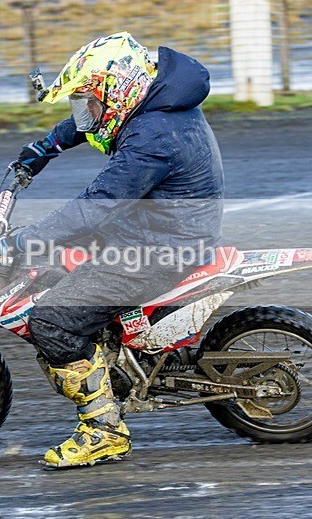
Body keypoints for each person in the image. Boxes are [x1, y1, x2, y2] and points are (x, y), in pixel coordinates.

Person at [11, 32, 224, 468]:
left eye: (89, 100)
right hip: (159, 227)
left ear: (117, 90)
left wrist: (22, 241)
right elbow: (90, 119)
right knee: (63, 265)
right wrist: (44, 148)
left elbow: (93, 208)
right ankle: (114, 355)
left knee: (52, 321)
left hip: (163, 246)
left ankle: (104, 431)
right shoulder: (155, 103)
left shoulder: (152, 138)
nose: (86, 112)